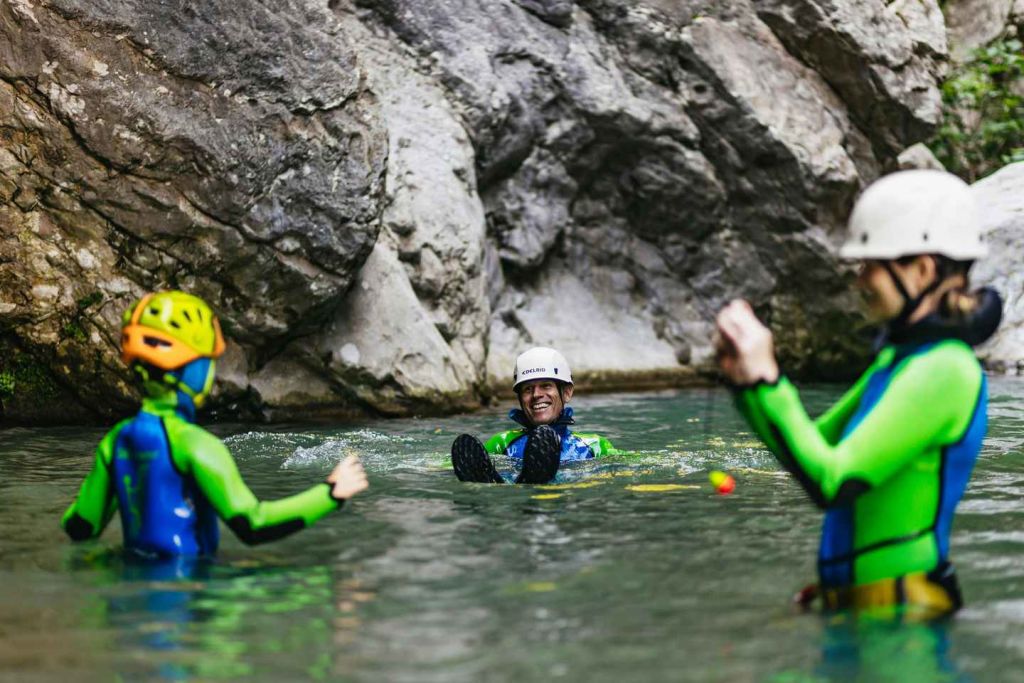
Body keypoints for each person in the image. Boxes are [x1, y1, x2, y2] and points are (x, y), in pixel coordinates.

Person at [714, 170, 1001, 617]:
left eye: (872, 266)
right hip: (869, 609)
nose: (860, 281)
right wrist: (746, 385)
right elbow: (813, 444)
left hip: (903, 619)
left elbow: (834, 481)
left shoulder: (946, 368)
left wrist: (767, 381)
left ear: (922, 270)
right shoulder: (898, 362)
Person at [62, 291, 368, 556]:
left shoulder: (116, 440)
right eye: (208, 361)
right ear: (191, 366)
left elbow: (81, 526)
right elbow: (253, 525)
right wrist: (331, 493)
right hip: (191, 593)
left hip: (128, 593)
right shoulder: (195, 445)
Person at [451, 347, 619, 484]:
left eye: (546, 386)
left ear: (567, 393)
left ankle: (528, 483)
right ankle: (500, 483)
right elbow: (448, 466)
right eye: (528, 389)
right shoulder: (501, 442)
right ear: (520, 398)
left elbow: (628, 465)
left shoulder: (595, 445)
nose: (536, 395)